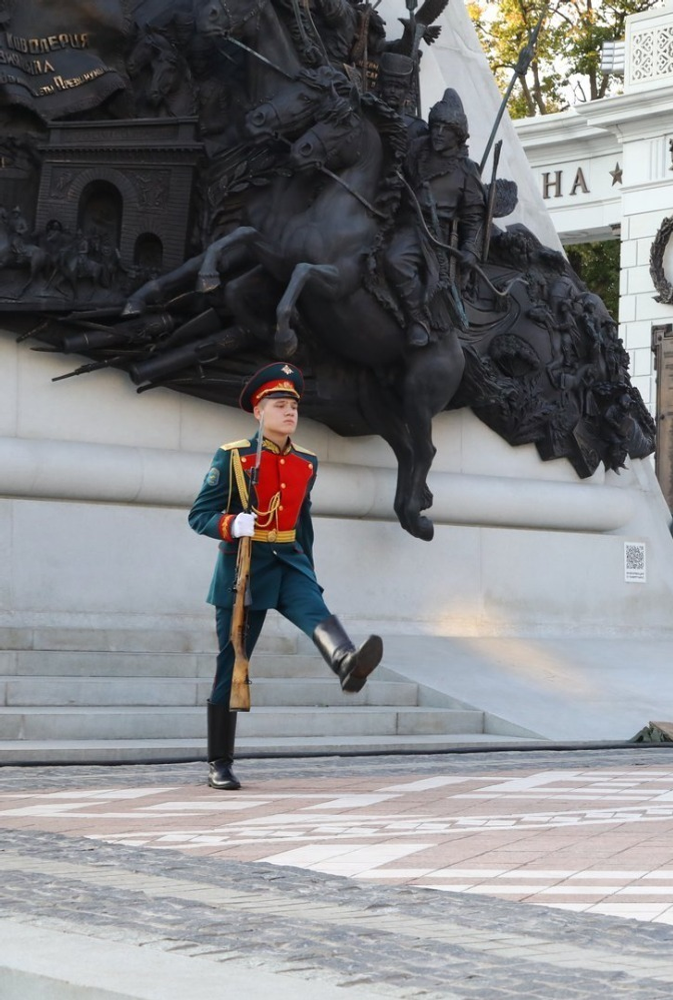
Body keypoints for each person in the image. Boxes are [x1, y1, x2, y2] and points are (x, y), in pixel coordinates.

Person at [188, 363, 384, 790]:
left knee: (317, 612)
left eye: (293, 405)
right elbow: (198, 515)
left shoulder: (306, 462)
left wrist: (309, 571)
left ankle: (348, 663)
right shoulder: (235, 456)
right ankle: (219, 762)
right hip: (244, 569)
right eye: (279, 405)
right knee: (232, 665)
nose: (289, 412)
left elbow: (304, 521)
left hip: (290, 561)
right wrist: (231, 524)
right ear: (258, 411)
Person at [385, 88, 488, 348]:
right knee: (387, 256)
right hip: (406, 221)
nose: (438, 134)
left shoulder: (466, 170)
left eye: (446, 129)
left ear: (458, 135)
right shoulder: (417, 151)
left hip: (437, 235)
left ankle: (420, 320)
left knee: (410, 270)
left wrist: (470, 250)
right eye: (436, 126)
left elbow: (474, 216)